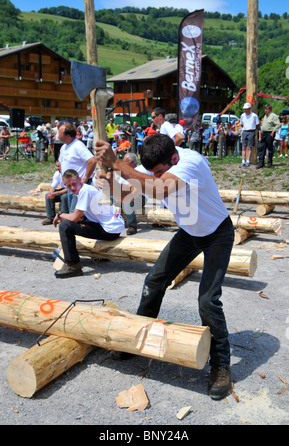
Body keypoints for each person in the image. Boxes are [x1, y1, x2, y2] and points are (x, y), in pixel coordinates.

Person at [95, 134, 234, 401]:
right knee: (153, 281)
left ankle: (221, 365)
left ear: (173, 158)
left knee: (208, 301)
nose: (155, 176)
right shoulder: (162, 165)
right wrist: (111, 181)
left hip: (218, 233)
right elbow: (129, 198)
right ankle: (136, 340)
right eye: (152, 173)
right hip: (189, 232)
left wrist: (117, 164)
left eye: (159, 172)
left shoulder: (190, 162)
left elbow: (159, 189)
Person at [53, 169, 125, 279]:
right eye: (68, 186)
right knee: (76, 223)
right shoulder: (86, 189)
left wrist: (60, 214)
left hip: (110, 230)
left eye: (73, 184)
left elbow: (74, 217)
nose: (72, 188)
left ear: (80, 180)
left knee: (65, 226)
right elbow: (79, 217)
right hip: (113, 226)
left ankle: (73, 266)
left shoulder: (84, 191)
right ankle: (98, 255)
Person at [58, 122, 97, 212]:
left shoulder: (78, 146)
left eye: (60, 134)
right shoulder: (64, 147)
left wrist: (85, 178)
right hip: (70, 185)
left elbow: (92, 161)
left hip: (78, 185)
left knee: (75, 212)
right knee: (72, 211)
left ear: (68, 136)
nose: (58, 136)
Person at [42, 161, 69, 225]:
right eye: (56, 166)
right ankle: (51, 218)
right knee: (47, 196)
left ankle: (63, 218)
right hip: (63, 189)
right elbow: (52, 186)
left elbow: (69, 189)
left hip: (70, 191)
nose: (57, 168)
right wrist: (51, 193)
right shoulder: (57, 174)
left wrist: (56, 193)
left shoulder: (68, 174)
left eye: (59, 166)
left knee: (64, 197)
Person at [257, 104, 281, 169]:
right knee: (262, 148)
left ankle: (269, 162)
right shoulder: (265, 116)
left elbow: (278, 124)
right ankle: (261, 162)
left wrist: (273, 131)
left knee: (270, 148)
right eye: (265, 109)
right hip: (264, 133)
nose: (265, 110)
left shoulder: (273, 116)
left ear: (270, 109)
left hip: (270, 133)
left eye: (267, 109)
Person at [239, 103, 260, 168]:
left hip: (251, 131)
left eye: (246, 109)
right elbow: (241, 124)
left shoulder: (254, 115)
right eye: (245, 109)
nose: (245, 110)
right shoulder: (243, 115)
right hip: (245, 131)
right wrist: (245, 128)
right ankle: (243, 161)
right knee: (243, 147)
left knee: (249, 147)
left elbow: (257, 124)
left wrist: (253, 128)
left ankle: (248, 161)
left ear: (249, 109)